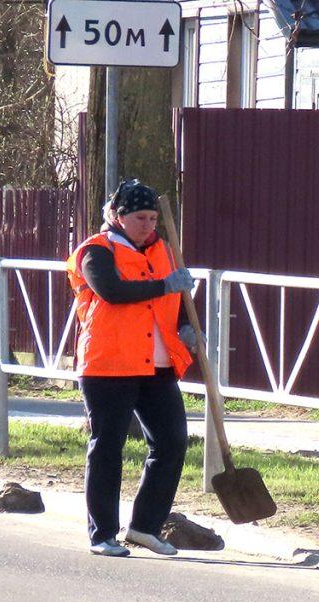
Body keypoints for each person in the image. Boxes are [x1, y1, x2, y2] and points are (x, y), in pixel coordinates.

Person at [66, 179, 198, 557]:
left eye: (153, 217)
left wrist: (187, 326)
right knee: (108, 446)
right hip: (108, 364)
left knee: (171, 441)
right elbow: (113, 292)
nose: (148, 225)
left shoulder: (164, 251)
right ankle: (102, 534)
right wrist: (164, 285)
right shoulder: (96, 250)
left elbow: (179, 296)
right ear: (118, 216)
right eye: (140, 217)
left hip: (156, 364)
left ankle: (144, 527)